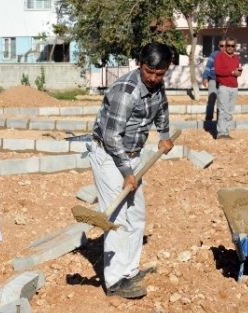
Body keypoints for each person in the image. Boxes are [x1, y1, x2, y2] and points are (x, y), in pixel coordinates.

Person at [89, 42, 175, 299]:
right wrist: (126, 171)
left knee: (136, 215)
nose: (153, 78)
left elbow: (162, 107)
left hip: (133, 156)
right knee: (117, 220)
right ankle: (115, 281)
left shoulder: (157, 86)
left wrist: (164, 135)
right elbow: (112, 136)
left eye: (160, 74)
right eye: (149, 72)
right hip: (109, 156)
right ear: (140, 64)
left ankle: (129, 270)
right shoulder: (126, 92)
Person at [214, 37, 241, 140]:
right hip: (224, 87)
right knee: (223, 110)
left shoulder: (236, 58)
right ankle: (221, 133)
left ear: (235, 46)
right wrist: (231, 72)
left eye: (232, 46)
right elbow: (218, 71)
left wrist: (238, 72)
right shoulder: (219, 56)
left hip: (234, 87)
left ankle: (226, 131)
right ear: (225, 46)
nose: (230, 47)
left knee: (230, 111)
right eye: (228, 45)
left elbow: (235, 71)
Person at [201, 39, 226, 121]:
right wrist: (205, 77)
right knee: (211, 100)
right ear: (219, 46)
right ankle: (209, 118)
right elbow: (208, 66)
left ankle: (220, 119)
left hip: (224, 81)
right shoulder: (214, 55)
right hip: (213, 80)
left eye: (225, 46)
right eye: (221, 46)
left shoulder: (229, 56)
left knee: (222, 101)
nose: (224, 48)